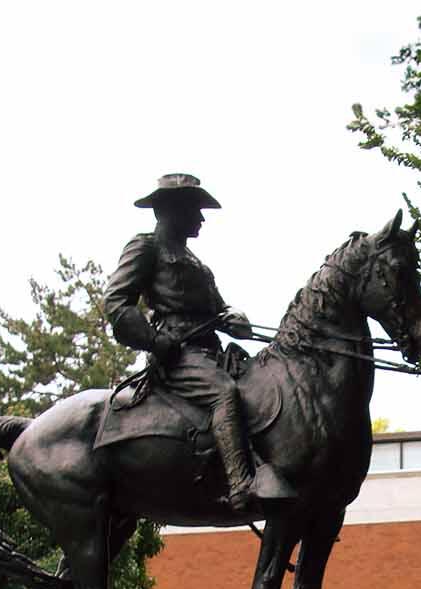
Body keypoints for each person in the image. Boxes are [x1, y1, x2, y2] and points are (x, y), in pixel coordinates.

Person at [103, 172, 289, 515]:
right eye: (195, 209)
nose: (201, 218)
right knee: (224, 393)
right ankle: (240, 484)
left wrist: (236, 319)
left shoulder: (196, 263)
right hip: (178, 356)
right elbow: (116, 303)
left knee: (261, 386)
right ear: (172, 210)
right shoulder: (145, 247)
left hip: (211, 351)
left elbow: (219, 308)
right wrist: (155, 341)